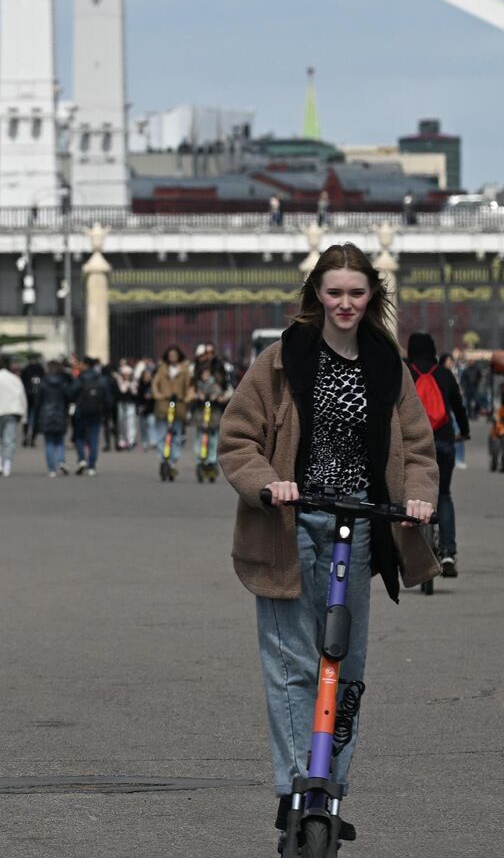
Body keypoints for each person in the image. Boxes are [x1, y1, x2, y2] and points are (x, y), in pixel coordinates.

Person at [217, 243, 437, 853]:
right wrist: (269, 483)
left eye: (356, 292)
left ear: (373, 296)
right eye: (334, 292)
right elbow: (237, 439)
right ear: (317, 293)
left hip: (361, 526)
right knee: (292, 665)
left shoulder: (386, 363)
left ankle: (331, 788)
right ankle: (298, 786)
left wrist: (418, 497)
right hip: (289, 524)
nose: (345, 303)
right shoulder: (281, 359)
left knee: (345, 670)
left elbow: (418, 448)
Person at [406, 333, 468, 578]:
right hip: (443, 441)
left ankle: (407, 555)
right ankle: (448, 551)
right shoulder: (444, 374)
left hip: (411, 445)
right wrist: (464, 431)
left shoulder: (403, 371)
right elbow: (459, 407)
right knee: (443, 494)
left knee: (408, 496)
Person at [150, 346, 194, 465]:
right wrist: (158, 395)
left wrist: (187, 398)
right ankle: (162, 458)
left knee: (176, 434)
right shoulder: (162, 369)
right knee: (161, 434)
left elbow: (190, 386)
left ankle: (173, 460)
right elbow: (155, 385)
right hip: (164, 404)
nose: (173, 357)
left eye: (175, 355)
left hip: (179, 405)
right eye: (171, 355)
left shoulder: (185, 370)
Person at [70, 358, 112, 475]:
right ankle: (92, 465)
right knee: (93, 438)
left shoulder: (80, 378)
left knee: (79, 436)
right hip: (97, 412)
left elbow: (71, 392)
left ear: (85, 365)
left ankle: (82, 459)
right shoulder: (101, 379)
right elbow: (108, 398)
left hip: (81, 411)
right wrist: (107, 413)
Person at [34, 360, 73, 477]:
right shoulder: (63, 383)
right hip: (60, 412)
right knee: (60, 441)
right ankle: (61, 461)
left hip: (46, 413)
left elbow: (38, 402)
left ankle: (52, 469)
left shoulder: (43, 383)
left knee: (49, 442)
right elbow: (68, 398)